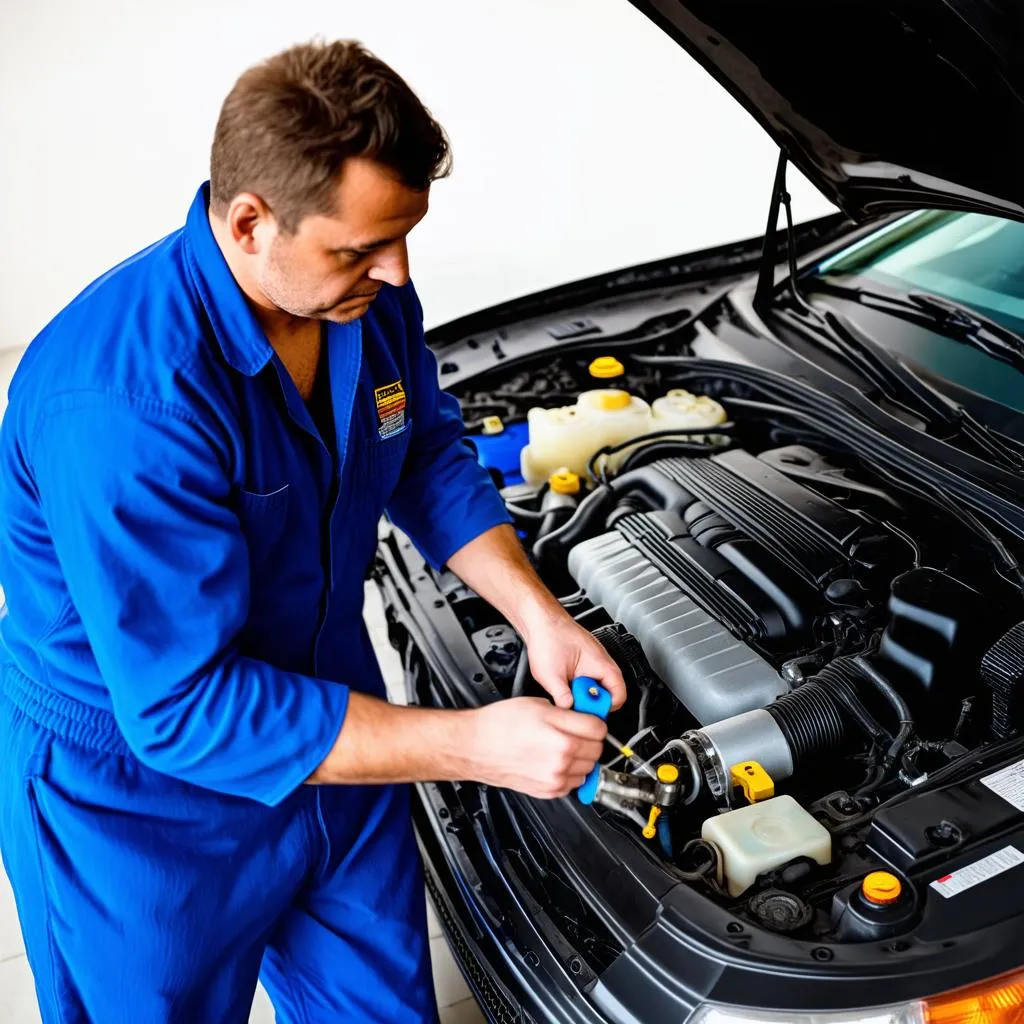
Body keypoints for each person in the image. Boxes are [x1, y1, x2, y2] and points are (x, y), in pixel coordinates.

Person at [0, 39, 626, 1024]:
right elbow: (183, 707)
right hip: (138, 795)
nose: (398, 268)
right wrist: (470, 744)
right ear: (250, 222)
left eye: (404, 236)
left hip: (335, 729)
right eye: (358, 247)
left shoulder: (359, 297)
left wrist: (537, 613)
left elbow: (419, 449)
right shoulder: (123, 403)